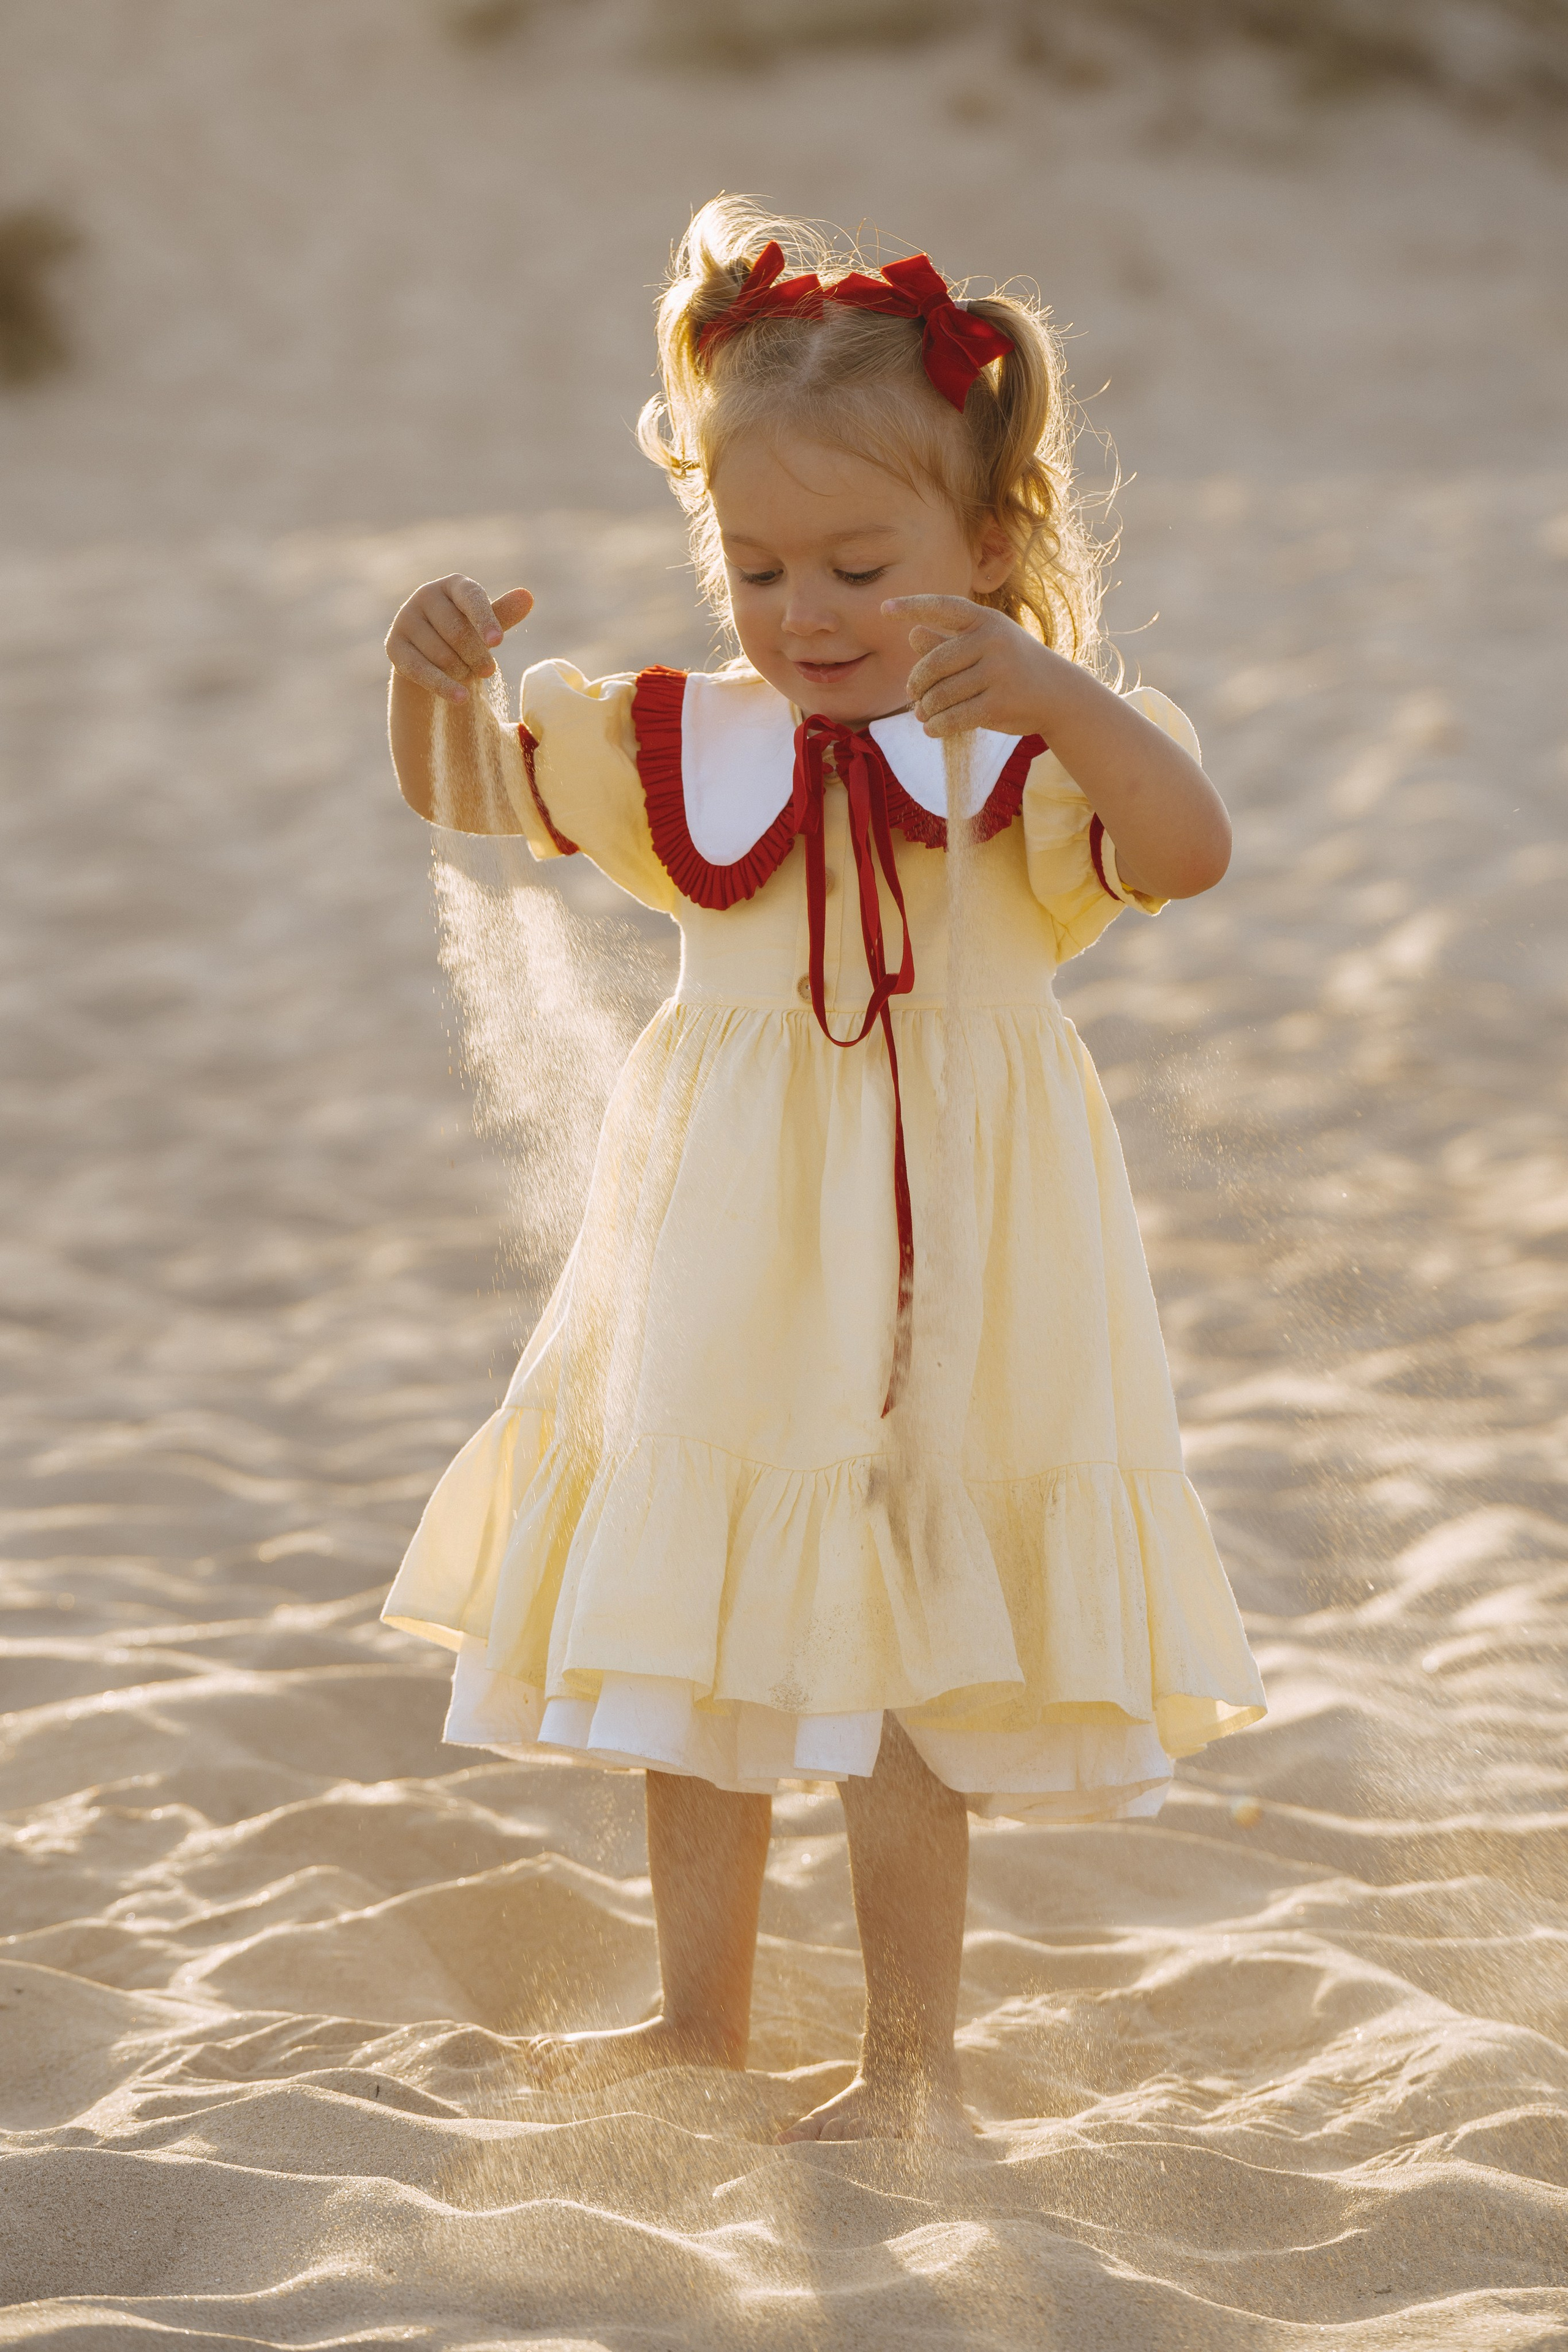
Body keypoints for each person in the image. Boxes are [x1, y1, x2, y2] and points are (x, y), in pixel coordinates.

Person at [380, 197, 1265, 2145]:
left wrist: (1060, 691)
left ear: (993, 545)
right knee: (696, 1599)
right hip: (727, 1238)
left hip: (963, 1244)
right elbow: (464, 800)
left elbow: (1189, 850)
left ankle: (911, 2066)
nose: (811, 614)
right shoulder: (679, 740)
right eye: (758, 566)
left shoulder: (1037, 751)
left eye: (863, 564)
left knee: (910, 1625)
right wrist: (425, 679)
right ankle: (701, 2022)